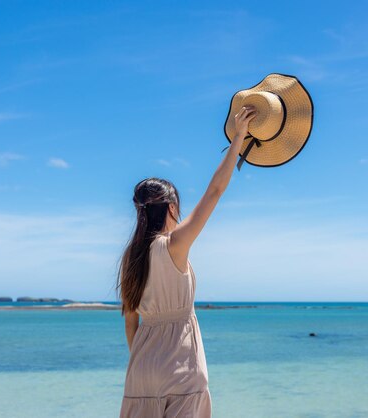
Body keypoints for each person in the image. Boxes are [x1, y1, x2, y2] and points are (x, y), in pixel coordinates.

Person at [117, 105, 257, 418]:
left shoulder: (132, 255)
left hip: (141, 368)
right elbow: (216, 191)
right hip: (180, 366)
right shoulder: (175, 245)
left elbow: (130, 321)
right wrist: (238, 139)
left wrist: (146, 361)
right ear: (170, 207)